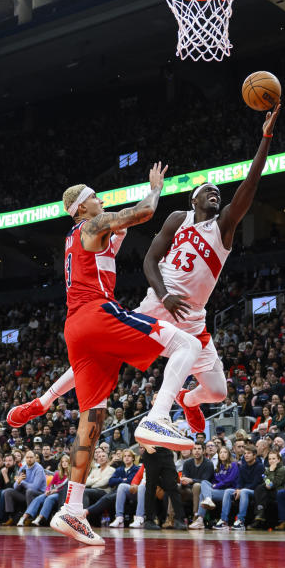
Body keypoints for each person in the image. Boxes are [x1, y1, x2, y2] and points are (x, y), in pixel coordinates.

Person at [9, 107, 283, 437]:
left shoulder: (224, 227)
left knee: (218, 392)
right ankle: (46, 401)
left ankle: (188, 400)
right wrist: (164, 295)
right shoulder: (176, 219)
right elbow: (149, 262)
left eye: (218, 193)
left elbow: (249, 186)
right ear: (194, 200)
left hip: (193, 316)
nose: (216, 194)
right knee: (103, 353)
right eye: (208, 191)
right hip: (158, 303)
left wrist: (265, 138)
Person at [48, 164, 208, 546]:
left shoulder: (79, 236)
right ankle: (156, 417)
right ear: (84, 207)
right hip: (96, 314)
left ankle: (71, 508)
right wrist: (154, 188)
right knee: (187, 344)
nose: (102, 200)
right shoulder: (93, 222)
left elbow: (119, 232)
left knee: (93, 417)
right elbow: (144, 212)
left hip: (75, 328)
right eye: (96, 197)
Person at [215, 445, 264, 530]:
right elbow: (239, 482)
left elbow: (256, 483)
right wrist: (238, 489)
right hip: (243, 490)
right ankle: (224, 520)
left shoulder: (260, 466)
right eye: (245, 453)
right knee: (228, 491)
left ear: (254, 455)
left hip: (255, 491)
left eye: (249, 453)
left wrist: (241, 490)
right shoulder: (242, 466)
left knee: (244, 491)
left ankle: (241, 520)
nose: (246, 455)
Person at [183, 442, 216, 529]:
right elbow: (184, 477)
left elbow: (205, 481)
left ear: (204, 451)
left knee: (197, 485)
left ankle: (196, 516)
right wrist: (183, 480)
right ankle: (172, 517)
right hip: (188, 488)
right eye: (194, 449)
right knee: (175, 487)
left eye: (199, 449)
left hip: (202, 489)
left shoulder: (208, 464)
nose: (196, 451)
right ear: (191, 451)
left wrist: (191, 480)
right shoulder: (187, 463)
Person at [252, 451, 285, 529]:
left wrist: (271, 471)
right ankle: (259, 515)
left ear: (279, 460)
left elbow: (274, 484)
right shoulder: (267, 470)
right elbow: (266, 481)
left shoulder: (282, 470)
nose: (271, 461)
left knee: (260, 489)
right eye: (269, 459)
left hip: (278, 492)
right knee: (259, 488)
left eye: (274, 458)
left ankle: (260, 513)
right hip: (268, 491)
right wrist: (268, 483)